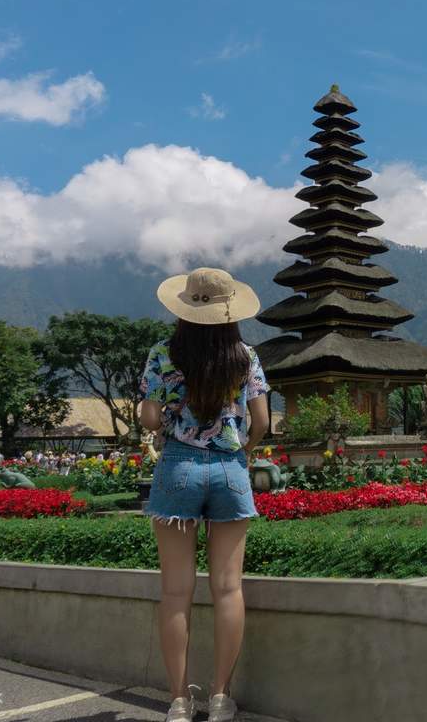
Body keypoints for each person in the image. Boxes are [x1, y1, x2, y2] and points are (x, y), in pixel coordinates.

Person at [137, 267, 268, 722]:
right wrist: (243, 451)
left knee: (176, 592)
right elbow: (261, 422)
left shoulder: (163, 353)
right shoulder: (245, 356)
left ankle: (178, 701)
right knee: (228, 589)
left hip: (178, 467)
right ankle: (220, 699)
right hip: (230, 469)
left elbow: (150, 419)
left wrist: (163, 414)